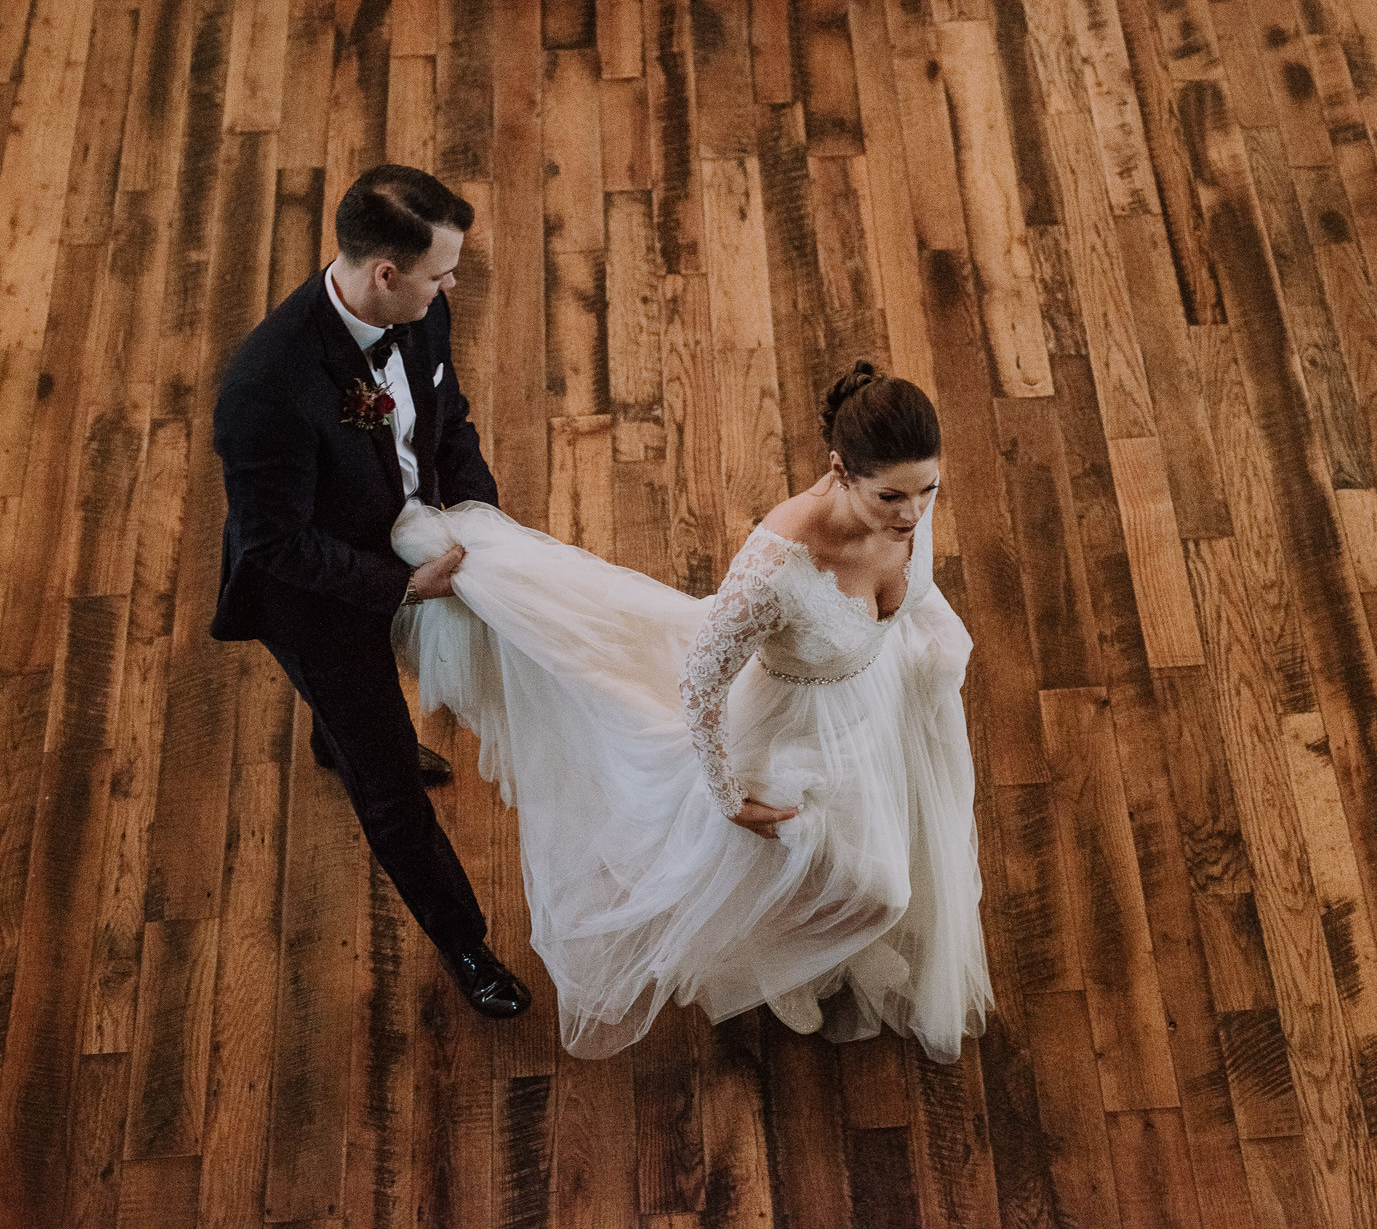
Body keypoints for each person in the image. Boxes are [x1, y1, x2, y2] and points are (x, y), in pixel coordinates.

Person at [391, 361, 991, 1060]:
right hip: (795, 727)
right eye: (892, 496)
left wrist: (931, 641)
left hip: (876, 702)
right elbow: (700, 683)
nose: (912, 514)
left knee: (879, 866)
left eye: (929, 489)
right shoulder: (777, 566)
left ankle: (817, 947)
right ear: (840, 470)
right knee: (879, 890)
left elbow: (909, 579)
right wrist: (726, 794)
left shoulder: (906, 502)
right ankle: (771, 962)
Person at [210, 164, 530, 1020]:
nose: (452, 285)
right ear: (384, 273)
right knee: (386, 785)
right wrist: (399, 585)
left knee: (355, 729)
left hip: (407, 533)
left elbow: (448, 420)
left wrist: (477, 518)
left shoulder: (420, 314)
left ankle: (330, 738)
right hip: (317, 594)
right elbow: (276, 544)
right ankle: (466, 945)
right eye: (439, 272)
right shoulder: (265, 388)